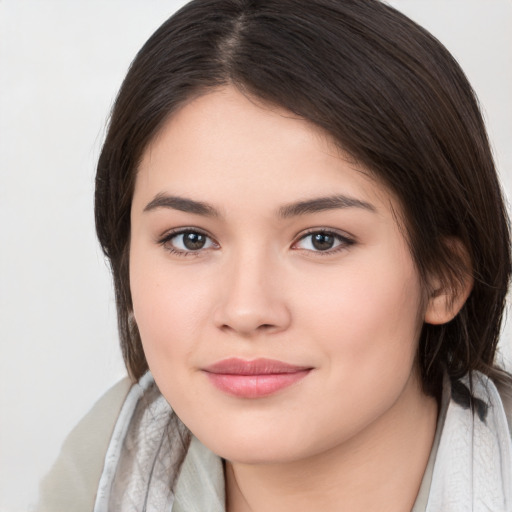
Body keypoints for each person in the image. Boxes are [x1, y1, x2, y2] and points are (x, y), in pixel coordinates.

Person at [36, 0, 512, 511]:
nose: (246, 310)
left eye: (321, 240)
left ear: (443, 278)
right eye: (190, 239)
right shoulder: (103, 472)